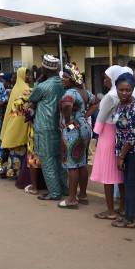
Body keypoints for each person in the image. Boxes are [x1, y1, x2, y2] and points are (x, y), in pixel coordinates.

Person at [110, 72, 135, 228]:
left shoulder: (132, 109)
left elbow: (131, 138)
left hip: (134, 150)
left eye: (128, 90)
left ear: (133, 89)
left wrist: (121, 157)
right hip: (129, 149)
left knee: (130, 183)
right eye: (121, 89)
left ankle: (129, 218)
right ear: (116, 89)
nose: (124, 93)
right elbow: (116, 123)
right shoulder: (121, 104)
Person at [58, 63, 98, 209]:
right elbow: (96, 102)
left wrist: (68, 120)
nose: (63, 79)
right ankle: (83, 195)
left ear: (73, 79)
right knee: (81, 162)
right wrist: (84, 115)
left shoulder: (70, 93)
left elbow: (67, 105)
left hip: (72, 130)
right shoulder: (84, 92)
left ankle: (71, 199)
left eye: (66, 77)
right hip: (85, 128)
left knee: (72, 165)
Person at [27, 55, 67, 200]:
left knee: (48, 160)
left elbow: (31, 99)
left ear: (44, 69)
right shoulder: (63, 84)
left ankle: (55, 192)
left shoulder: (42, 86)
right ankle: (64, 188)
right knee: (59, 159)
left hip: (44, 127)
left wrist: (38, 81)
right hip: (59, 125)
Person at [91, 65, 127, 219]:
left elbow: (100, 119)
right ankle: (123, 207)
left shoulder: (109, 96)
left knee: (108, 175)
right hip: (119, 135)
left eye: (106, 77)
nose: (104, 79)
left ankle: (110, 210)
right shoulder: (124, 94)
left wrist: (96, 133)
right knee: (119, 176)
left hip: (107, 134)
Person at [1, 67, 32, 179]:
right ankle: (19, 173)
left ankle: (13, 172)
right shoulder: (25, 89)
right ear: (22, 76)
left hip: (14, 121)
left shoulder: (15, 88)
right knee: (20, 149)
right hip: (20, 122)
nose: (29, 76)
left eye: (29, 74)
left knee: (15, 149)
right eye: (26, 75)